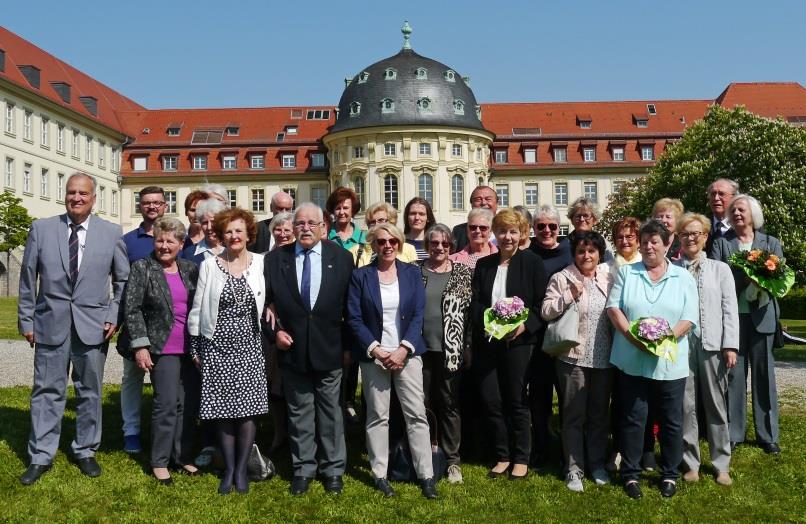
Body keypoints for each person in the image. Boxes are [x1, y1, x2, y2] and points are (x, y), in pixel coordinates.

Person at [18, 173, 129, 485]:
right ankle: (40, 454)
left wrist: (113, 315)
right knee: (46, 391)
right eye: (71, 192)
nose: (76, 198)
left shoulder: (110, 232)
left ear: (93, 199)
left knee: (89, 391)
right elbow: (28, 279)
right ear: (64, 195)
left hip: (93, 326)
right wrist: (26, 320)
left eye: (83, 193)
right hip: (49, 324)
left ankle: (85, 449)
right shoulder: (41, 229)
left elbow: (122, 281)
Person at [264, 203, 354, 496]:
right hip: (292, 350)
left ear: (322, 227)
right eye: (299, 223)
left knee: (331, 413)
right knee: (299, 412)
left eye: (311, 223)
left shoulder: (341, 258)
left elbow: (350, 308)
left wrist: (348, 346)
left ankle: (333, 470)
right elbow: (264, 307)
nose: (305, 228)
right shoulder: (276, 259)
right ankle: (303, 468)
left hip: (330, 348)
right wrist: (275, 333)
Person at [606, 220, 698, 499]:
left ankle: (669, 473)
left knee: (670, 420)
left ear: (668, 244)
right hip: (631, 358)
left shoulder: (683, 277)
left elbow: (690, 317)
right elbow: (613, 308)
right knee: (634, 417)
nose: (648, 246)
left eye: (654, 241)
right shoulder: (627, 273)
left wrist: (663, 339)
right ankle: (631, 474)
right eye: (644, 241)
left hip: (670, 361)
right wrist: (634, 338)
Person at [347, 223, 437, 499]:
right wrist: (376, 349)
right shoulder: (361, 276)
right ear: (373, 245)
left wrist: (403, 349)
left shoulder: (412, 273)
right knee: (377, 417)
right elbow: (354, 318)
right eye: (381, 242)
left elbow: (419, 314)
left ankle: (426, 476)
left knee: (416, 416)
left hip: (407, 355)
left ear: (399, 244)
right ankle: (380, 475)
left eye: (392, 242)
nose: (387, 246)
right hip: (375, 357)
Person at [187, 208, 267, 495]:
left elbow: (270, 297)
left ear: (248, 235)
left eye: (239, 231)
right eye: (229, 231)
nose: (234, 236)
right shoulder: (209, 265)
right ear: (223, 235)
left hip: (249, 346)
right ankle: (229, 468)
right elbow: (197, 308)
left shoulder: (260, 263)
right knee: (221, 410)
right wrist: (195, 345)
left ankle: (242, 469)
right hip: (216, 345)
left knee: (247, 412)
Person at [471, 209, 548, 481]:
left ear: (522, 234)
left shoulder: (532, 263)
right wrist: (489, 323)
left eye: (513, 231)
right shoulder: (485, 265)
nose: (507, 236)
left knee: (516, 400)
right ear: (495, 233)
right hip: (489, 341)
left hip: (519, 343)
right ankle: (502, 456)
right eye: (502, 231)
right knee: (492, 399)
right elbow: (477, 302)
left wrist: (524, 325)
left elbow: (541, 305)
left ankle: (521, 458)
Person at [122, 218, 200, 484]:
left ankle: (182, 456)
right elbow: (131, 309)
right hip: (161, 347)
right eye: (159, 240)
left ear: (181, 243)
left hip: (190, 348)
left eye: (170, 241)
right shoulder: (142, 267)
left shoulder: (191, 269)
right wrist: (140, 346)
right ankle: (159, 461)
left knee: (186, 405)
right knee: (166, 404)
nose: (164, 246)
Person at [542, 231, 613, 491]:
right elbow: (546, 310)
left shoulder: (608, 277)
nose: (586, 256)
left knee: (598, 416)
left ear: (599, 254)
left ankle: (596, 464)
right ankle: (573, 468)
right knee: (573, 415)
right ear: (574, 253)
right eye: (582, 251)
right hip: (572, 358)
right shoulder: (562, 277)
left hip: (604, 358)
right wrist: (568, 295)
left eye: (592, 251)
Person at [711, 194, 782, 455]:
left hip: (762, 317)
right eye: (734, 211)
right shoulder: (721, 244)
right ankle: (734, 432)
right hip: (733, 319)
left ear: (753, 214)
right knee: (734, 376)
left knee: (765, 377)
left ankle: (768, 434)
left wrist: (762, 281)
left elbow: (779, 278)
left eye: (741, 210)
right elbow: (718, 279)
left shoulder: (771, 242)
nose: (737, 214)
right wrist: (747, 278)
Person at [675, 213, 739, 486]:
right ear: (679, 238)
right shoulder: (672, 268)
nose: (691, 238)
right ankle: (691, 462)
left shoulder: (720, 269)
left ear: (705, 237)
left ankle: (721, 462)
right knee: (686, 406)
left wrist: (730, 345)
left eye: (696, 233)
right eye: (686, 233)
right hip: (680, 347)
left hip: (713, 345)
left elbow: (729, 309)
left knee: (715, 405)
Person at [418, 224, 473, 484]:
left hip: (451, 349)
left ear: (451, 246)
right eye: (434, 243)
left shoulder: (462, 272)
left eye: (444, 244)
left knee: (450, 405)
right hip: (420, 349)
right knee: (424, 404)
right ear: (427, 245)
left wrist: (468, 346)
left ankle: (452, 461)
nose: (439, 248)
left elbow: (470, 315)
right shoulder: (415, 272)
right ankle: (429, 452)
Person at [119, 186, 167, 454]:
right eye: (147, 203)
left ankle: (162, 429)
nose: (152, 207)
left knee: (167, 378)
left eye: (157, 202)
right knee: (132, 378)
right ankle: (131, 431)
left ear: (165, 206)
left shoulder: (175, 236)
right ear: (140, 206)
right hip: (136, 318)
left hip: (168, 323)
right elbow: (121, 283)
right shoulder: (128, 241)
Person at [527, 204, 572, 466]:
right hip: (537, 335)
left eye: (551, 226)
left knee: (567, 397)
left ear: (559, 228)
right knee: (540, 397)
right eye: (540, 226)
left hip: (566, 333)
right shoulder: (527, 253)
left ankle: (569, 449)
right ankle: (542, 447)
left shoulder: (569, 250)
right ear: (534, 229)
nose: (546, 230)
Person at [606, 215, 643, 471]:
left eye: (630, 236)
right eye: (620, 236)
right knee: (618, 400)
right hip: (613, 337)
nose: (625, 241)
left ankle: (642, 451)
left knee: (639, 399)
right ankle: (617, 448)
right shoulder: (608, 266)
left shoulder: (647, 264)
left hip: (641, 338)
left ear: (638, 240)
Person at [264, 211, 295, 453]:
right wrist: (268, 304)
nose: (283, 233)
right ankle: (278, 433)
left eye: (287, 229)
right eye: (278, 229)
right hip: (271, 327)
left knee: (294, 384)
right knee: (274, 384)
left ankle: (296, 433)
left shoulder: (301, 256)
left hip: (295, 325)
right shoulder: (263, 259)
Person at [349, 202, 417, 266]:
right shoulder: (354, 252)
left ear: (391, 222)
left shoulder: (408, 250)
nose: (376, 225)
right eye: (372, 222)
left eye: (381, 220)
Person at [452, 186, 498, 253]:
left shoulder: (506, 230)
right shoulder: (459, 232)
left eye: (488, 199)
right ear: (471, 204)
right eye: (478, 200)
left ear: (497, 203)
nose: (483, 203)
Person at [182, 199, 226, 265]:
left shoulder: (232, 248)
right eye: (205, 223)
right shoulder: (189, 253)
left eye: (213, 222)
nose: (209, 227)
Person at [706, 178, 739, 255]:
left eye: (721, 194)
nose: (716, 198)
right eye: (713, 194)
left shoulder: (746, 226)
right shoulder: (701, 224)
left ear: (734, 198)